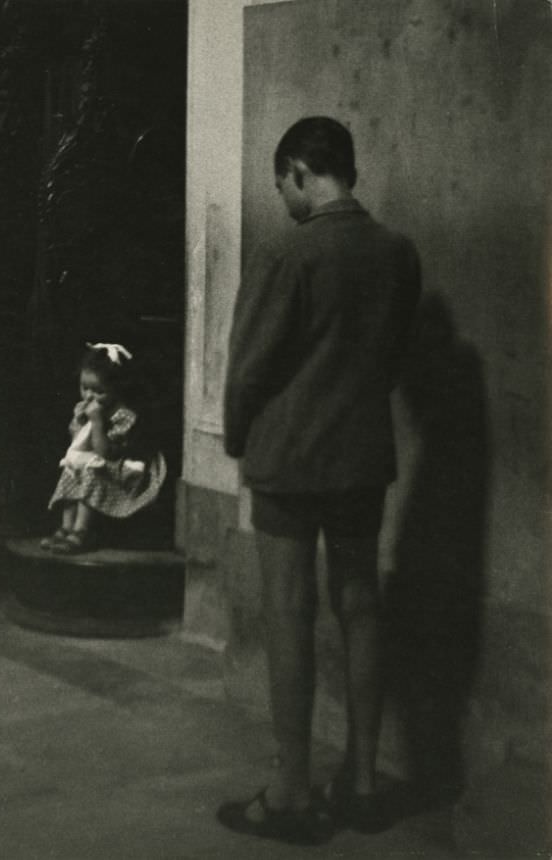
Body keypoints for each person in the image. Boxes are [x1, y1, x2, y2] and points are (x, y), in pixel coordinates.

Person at [218, 117, 421, 845]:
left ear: (303, 170)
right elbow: (394, 354)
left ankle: (292, 792)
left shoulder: (287, 254)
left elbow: (249, 365)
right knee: (361, 604)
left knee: (288, 612)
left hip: (289, 460)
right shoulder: (397, 253)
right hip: (362, 457)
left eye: (284, 184)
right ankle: (363, 783)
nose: (283, 198)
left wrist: (238, 437)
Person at [41, 342, 166, 554]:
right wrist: (78, 426)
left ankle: (82, 531)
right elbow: (77, 443)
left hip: (123, 467)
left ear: (117, 389)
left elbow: (105, 453)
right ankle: (66, 526)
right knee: (71, 470)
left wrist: (97, 422)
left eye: (98, 391)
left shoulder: (124, 416)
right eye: (84, 388)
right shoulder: (85, 408)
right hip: (97, 459)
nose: (89, 396)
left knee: (92, 470)